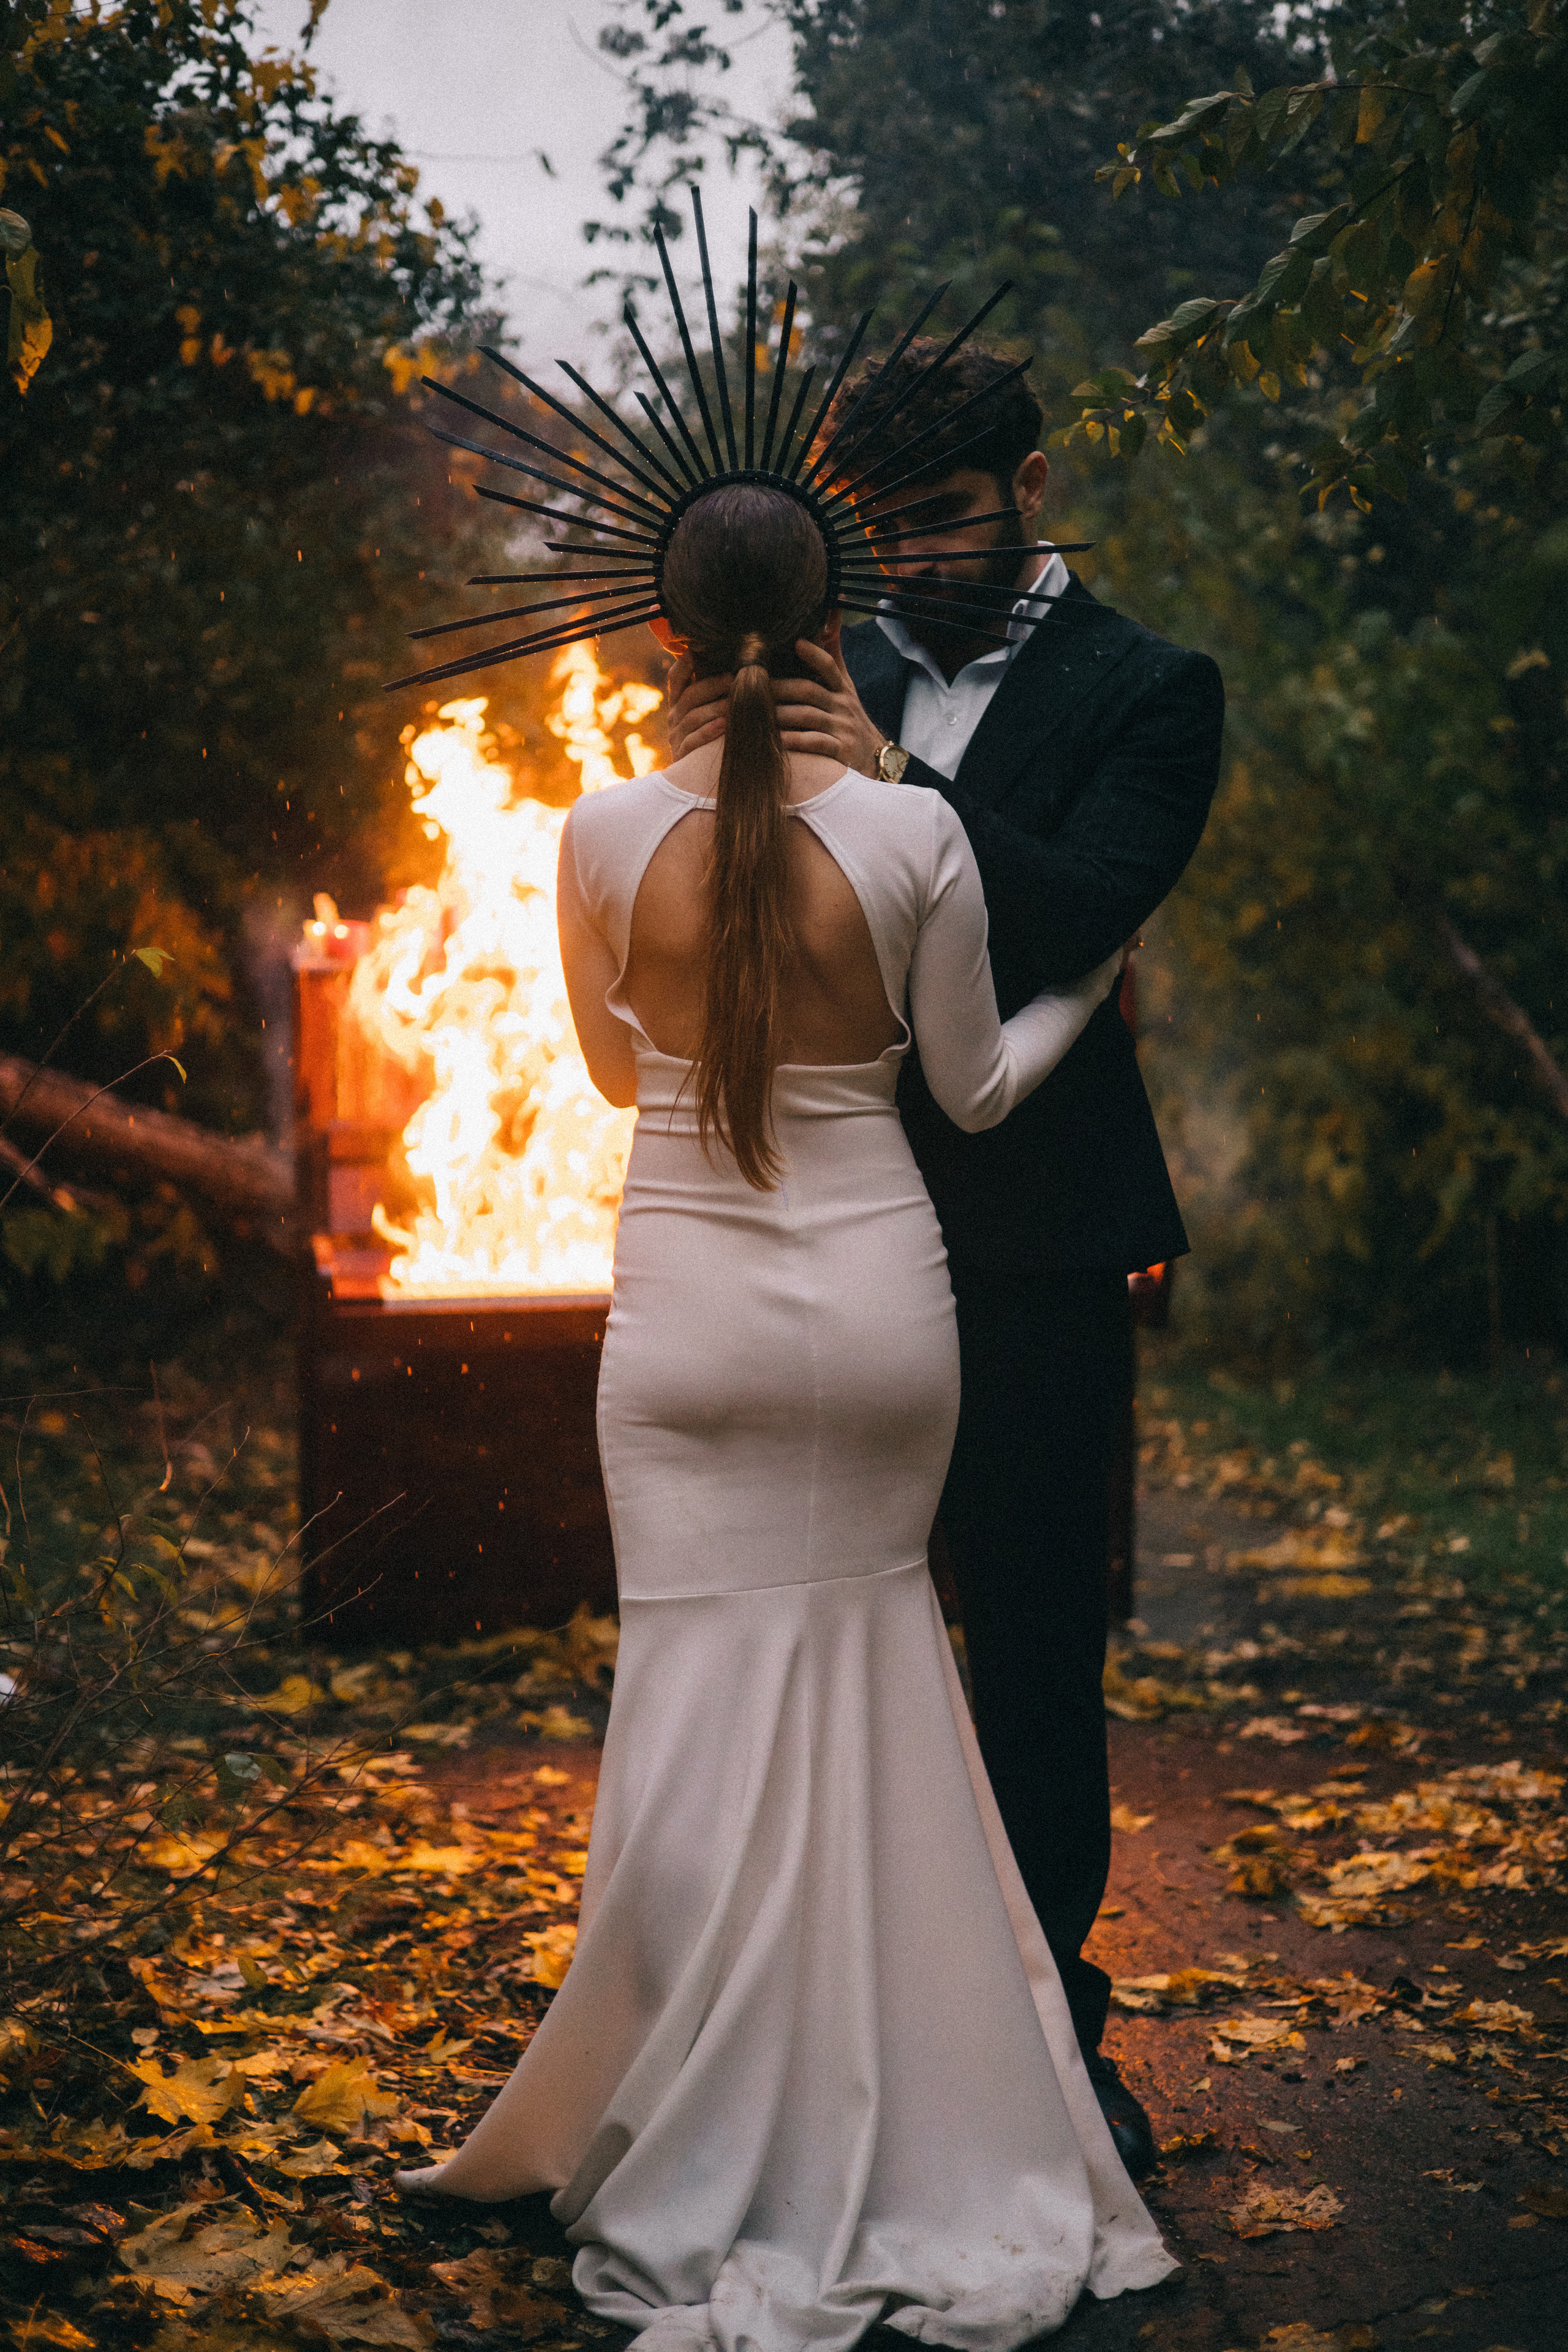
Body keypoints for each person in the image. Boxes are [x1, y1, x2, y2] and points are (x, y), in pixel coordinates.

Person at [396, 480, 1178, 2348]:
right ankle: (898, 2093)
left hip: (684, 1326)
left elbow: (608, 1071)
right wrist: (1087, 980)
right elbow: (976, 1092)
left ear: (661, 633)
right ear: (836, 627)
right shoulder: (914, 832)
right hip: (883, 1315)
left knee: (687, 1697)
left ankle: (686, 2098)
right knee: (884, 1676)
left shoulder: (594, 831)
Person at [666, 346, 1224, 2177]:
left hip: (1044, 1243)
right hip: (826, 1226)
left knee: (1037, 1648)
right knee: (830, 1635)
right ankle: (842, 2038)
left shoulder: (1153, 689)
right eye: (880, 525)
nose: (905, 557)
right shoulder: (834, 657)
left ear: (1033, 486)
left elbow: (1074, 909)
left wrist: (892, 775)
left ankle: (1055, 2035)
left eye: (941, 516)